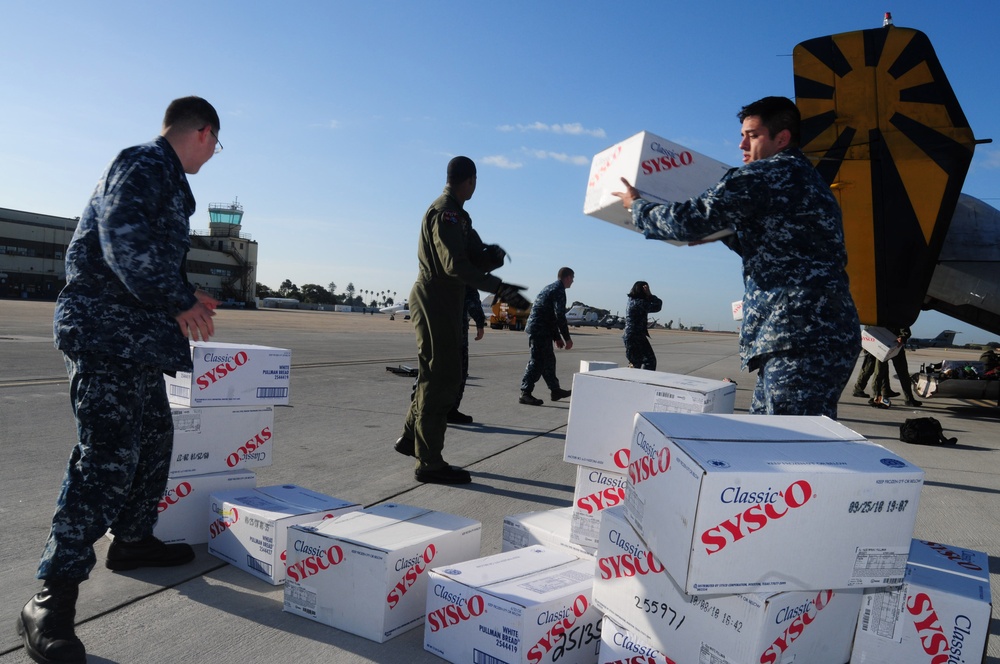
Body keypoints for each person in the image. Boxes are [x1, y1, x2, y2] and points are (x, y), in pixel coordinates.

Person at [17, 97, 222, 664]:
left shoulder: (164, 178)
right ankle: (49, 601)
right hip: (104, 332)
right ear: (203, 133)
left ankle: (132, 541)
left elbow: (144, 253)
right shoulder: (144, 162)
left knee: (156, 440)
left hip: (133, 338)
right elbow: (121, 239)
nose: (213, 153)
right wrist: (179, 300)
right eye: (216, 144)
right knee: (106, 458)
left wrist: (185, 294)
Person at [614, 96, 860, 418]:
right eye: (742, 134)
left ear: (781, 138)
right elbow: (784, 248)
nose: (742, 143)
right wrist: (724, 234)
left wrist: (638, 207)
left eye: (753, 135)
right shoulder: (810, 181)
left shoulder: (762, 175)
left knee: (786, 448)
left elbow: (689, 219)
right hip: (820, 332)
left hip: (796, 335)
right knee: (769, 436)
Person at [393, 156, 528, 485]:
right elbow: (454, 265)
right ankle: (429, 462)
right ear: (471, 180)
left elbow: (471, 259)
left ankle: (412, 438)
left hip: (444, 299)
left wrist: (491, 257)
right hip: (436, 297)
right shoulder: (447, 213)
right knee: (442, 378)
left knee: (434, 373)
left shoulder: (458, 214)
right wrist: (501, 289)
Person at [519, 267, 575, 405]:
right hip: (539, 330)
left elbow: (550, 316)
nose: (573, 281)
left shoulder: (551, 288)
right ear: (567, 277)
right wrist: (567, 338)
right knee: (537, 361)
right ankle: (525, 393)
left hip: (542, 328)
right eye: (572, 278)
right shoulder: (558, 290)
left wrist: (556, 336)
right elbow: (559, 316)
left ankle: (555, 390)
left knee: (548, 360)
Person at [449, 285, 488, 424]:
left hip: (434, 327)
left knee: (431, 367)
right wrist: (480, 322)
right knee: (459, 370)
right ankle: (450, 410)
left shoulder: (440, 270)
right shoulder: (464, 272)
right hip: (455, 332)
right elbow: (472, 300)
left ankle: (419, 405)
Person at [623, 280, 662, 370]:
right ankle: (640, 382)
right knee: (647, 361)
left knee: (639, 362)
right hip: (635, 336)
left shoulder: (632, 301)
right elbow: (657, 306)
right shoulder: (639, 303)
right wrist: (650, 295)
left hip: (635, 335)